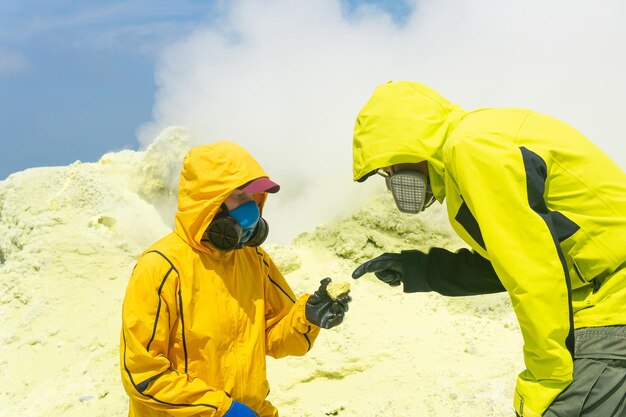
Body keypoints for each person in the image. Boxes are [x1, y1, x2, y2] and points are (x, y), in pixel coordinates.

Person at [350, 80, 626, 417]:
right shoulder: (474, 145)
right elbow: (512, 263)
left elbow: (533, 270)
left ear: (408, 144)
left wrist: (547, 378)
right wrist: (419, 270)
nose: (392, 177)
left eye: (389, 166)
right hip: (601, 298)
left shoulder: (472, 148)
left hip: (612, 301)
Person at [120, 141, 351, 417]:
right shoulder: (160, 266)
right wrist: (220, 409)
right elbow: (142, 375)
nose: (251, 206)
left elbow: (274, 336)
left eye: (253, 197)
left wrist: (308, 317)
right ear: (209, 202)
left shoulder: (254, 259)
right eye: (240, 196)